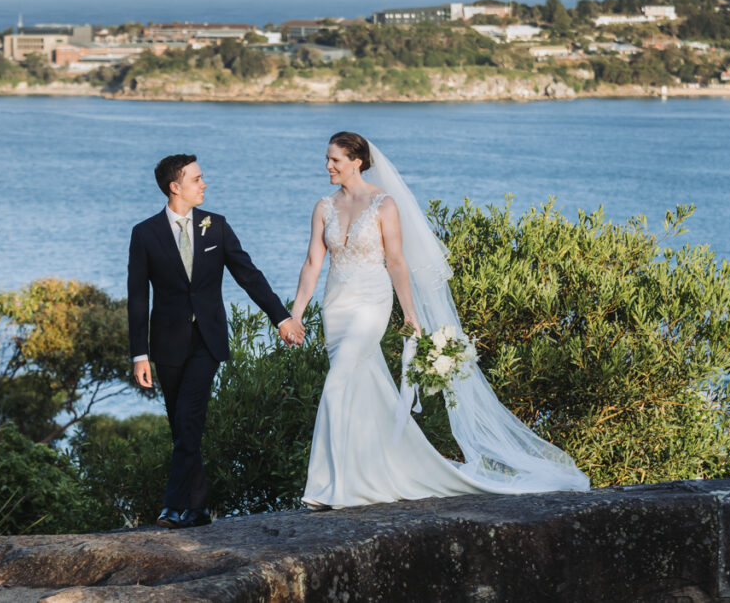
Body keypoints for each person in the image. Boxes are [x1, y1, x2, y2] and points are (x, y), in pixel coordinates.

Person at [290, 132, 589, 509]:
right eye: (328, 159)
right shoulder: (323, 207)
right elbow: (313, 263)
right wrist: (296, 315)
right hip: (336, 307)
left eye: (335, 159)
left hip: (371, 302)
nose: (328, 166)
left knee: (337, 384)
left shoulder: (384, 204)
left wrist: (410, 313)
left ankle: (325, 486)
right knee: (363, 388)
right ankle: (367, 475)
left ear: (357, 161)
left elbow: (397, 262)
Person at [127, 154, 305, 529]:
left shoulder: (217, 227)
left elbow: (249, 276)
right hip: (167, 343)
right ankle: (199, 509)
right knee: (181, 426)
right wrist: (139, 354)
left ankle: (173, 506)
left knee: (189, 416)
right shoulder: (144, 234)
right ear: (175, 187)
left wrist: (282, 317)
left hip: (207, 340)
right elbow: (138, 297)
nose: (203, 184)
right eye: (196, 179)